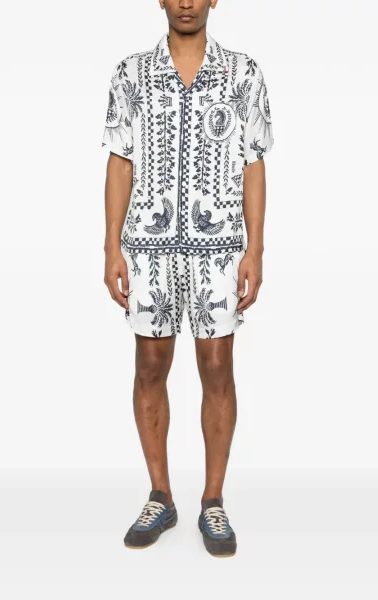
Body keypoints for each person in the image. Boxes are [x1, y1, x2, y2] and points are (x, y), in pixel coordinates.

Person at [101, 0, 274, 558]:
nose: (185, 2)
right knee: (150, 366)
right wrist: (111, 245)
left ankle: (213, 501)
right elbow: (120, 160)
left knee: (217, 368)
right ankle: (160, 495)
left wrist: (254, 251)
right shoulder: (131, 73)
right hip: (148, 248)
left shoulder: (243, 73)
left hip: (219, 248)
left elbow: (253, 163)